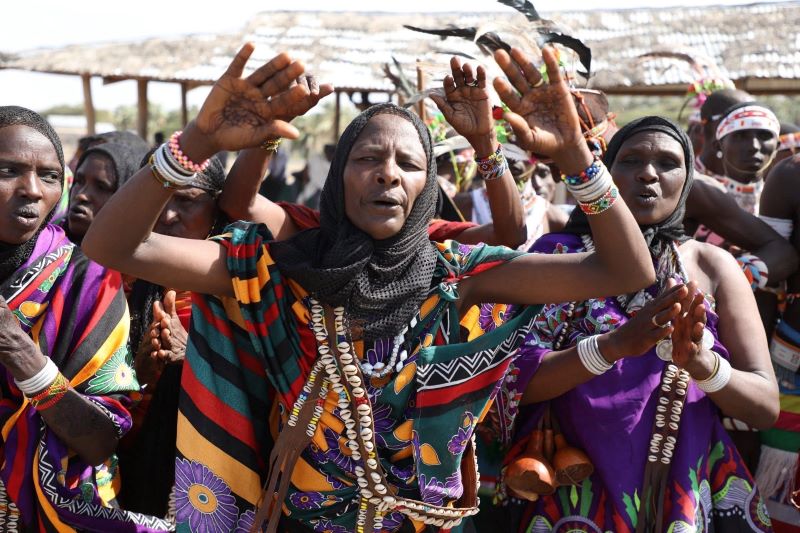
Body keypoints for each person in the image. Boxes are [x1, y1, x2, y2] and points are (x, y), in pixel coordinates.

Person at [82, 44, 655, 532]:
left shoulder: (456, 274)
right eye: (368, 158)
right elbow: (113, 247)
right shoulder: (277, 269)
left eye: (408, 163)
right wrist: (198, 140)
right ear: (338, 178)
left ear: (427, 187)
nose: (388, 173)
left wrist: (580, 160)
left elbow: (624, 272)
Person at [496, 116, 779, 533]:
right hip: (574, 487)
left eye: (667, 162)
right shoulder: (558, 254)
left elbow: (765, 405)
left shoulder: (709, 265)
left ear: (687, 181)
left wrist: (702, 365)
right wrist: (612, 346)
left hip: (684, 490)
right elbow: (509, 383)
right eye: (631, 161)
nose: (649, 172)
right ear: (607, 175)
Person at [0, 106, 171, 531]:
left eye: (50, 175)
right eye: (8, 170)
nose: (32, 190)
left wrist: (22, 354)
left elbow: (101, 439)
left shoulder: (89, 283)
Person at [756, 153, 800, 532]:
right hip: (792, 356)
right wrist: (756, 367)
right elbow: (769, 282)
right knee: (782, 492)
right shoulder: (790, 173)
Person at [67, 141, 149, 243]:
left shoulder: (127, 258)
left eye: (101, 187)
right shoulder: (45, 243)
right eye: (79, 181)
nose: (81, 196)